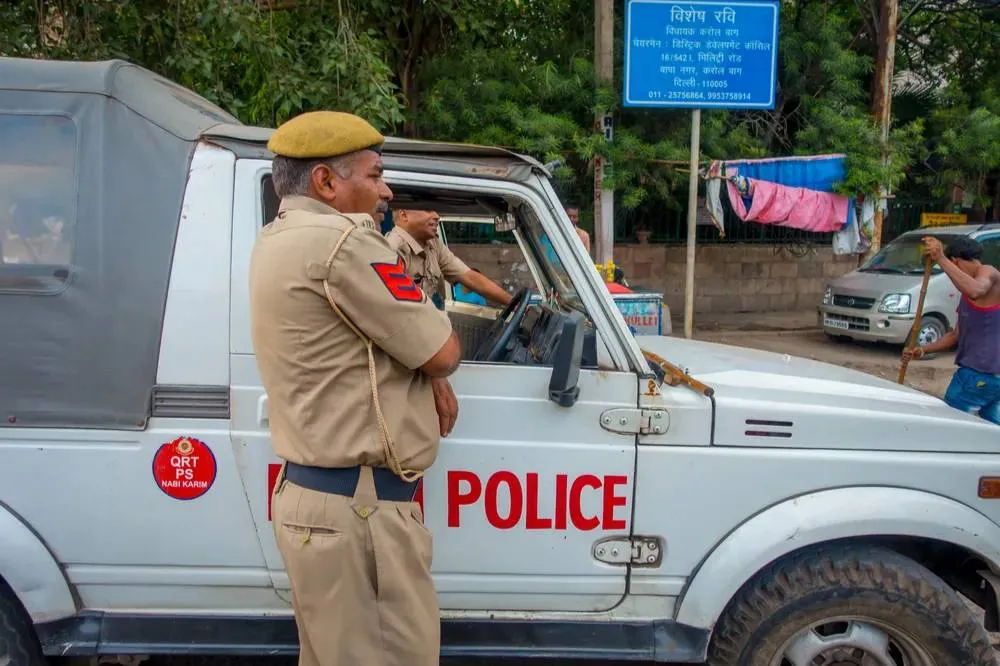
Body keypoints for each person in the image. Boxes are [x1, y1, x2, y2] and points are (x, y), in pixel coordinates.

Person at [248, 110, 463, 666]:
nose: (386, 190)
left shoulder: (275, 237)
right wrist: (433, 371)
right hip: (361, 513)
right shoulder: (346, 243)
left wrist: (426, 372)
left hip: (315, 500)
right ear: (326, 181)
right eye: (374, 174)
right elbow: (443, 350)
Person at [902, 236, 1000, 425]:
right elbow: (955, 335)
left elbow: (975, 289)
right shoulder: (966, 295)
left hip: (978, 376)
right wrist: (922, 350)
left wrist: (940, 257)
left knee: (949, 425)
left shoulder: (988, 272)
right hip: (987, 379)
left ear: (956, 261)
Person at [385, 208, 512, 308]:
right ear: (404, 215)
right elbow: (397, 312)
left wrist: (513, 303)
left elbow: (470, 277)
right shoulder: (393, 250)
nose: (436, 216)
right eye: (428, 210)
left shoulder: (433, 244)